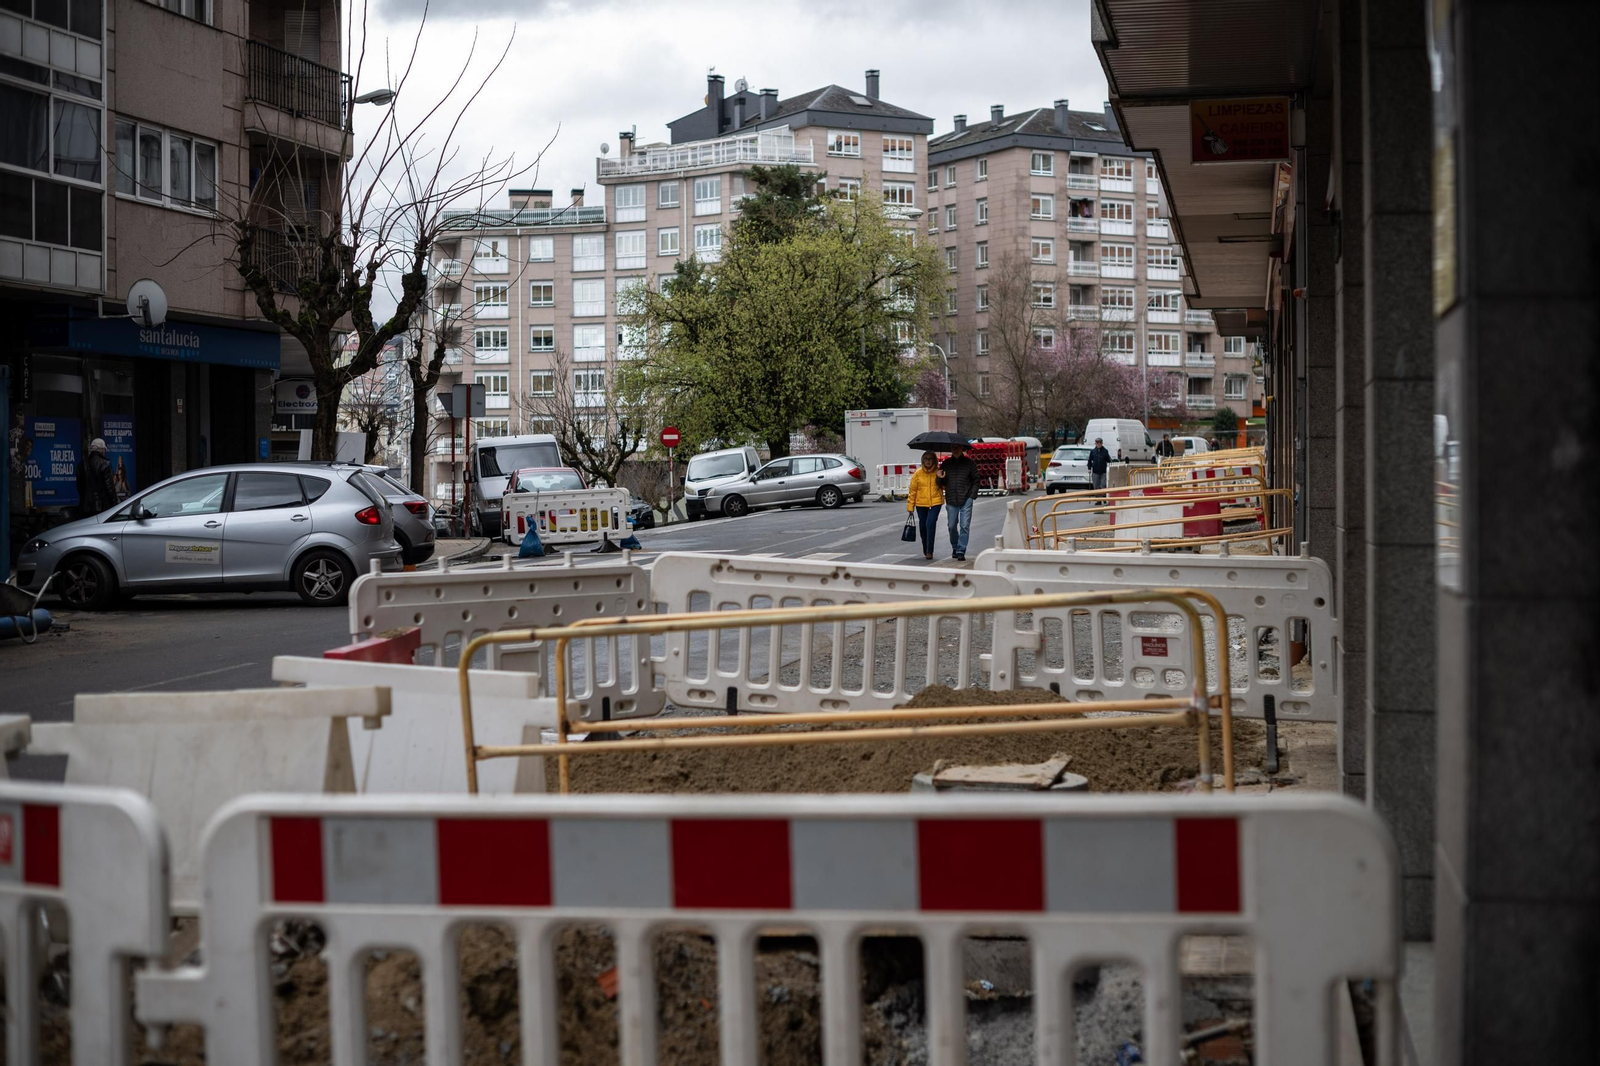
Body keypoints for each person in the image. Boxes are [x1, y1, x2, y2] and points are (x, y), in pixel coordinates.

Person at [936, 440, 981, 561]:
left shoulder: (970, 463)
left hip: (966, 499)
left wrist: (972, 496)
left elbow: (976, 480)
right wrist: (939, 478)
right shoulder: (946, 464)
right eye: (953, 447)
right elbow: (941, 483)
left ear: (962, 448)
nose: (955, 449)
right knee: (951, 526)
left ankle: (961, 550)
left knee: (964, 526)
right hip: (951, 499)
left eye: (958, 447)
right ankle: (955, 547)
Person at [905, 450, 944, 560]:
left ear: (934, 460)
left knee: (930, 524)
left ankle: (929, 550)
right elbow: (913, 491)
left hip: (936, 502)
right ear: (923, 460)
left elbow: (944, 486)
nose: (928, 461)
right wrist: (910, 506)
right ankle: (925, 547)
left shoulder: (939, 471)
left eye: (930, 458)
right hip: (921, 503)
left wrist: (941, 477)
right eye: (926, 459)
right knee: (923, 527)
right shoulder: (918, 473)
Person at [77, 437, 117, 516]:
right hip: (101, 507)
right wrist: (115, 505)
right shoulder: (105, 463)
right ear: (102, 450)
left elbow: (79, 486)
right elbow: (110, 489)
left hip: (84, 506)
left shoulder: (81, 465)